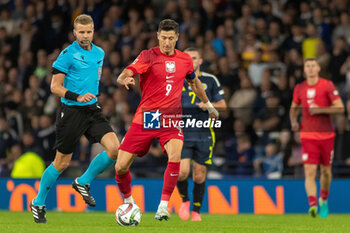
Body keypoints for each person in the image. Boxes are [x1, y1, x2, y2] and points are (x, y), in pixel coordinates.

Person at [114, 19, 219, 221]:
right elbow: (128, 71)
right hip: (147, 116)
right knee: (120, 166)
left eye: (171, 38)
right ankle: (129, 202)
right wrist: (123, 78)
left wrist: (209, 104)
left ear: (177, 38)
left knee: (175, 156)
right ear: (157, 36)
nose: (167, 42)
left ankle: (163, 207)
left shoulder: (185, 60)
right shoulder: (148, 55)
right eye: (163, 38)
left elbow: (195, 84)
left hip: (170, 116)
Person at [30, 14, 120, 223]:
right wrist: (77, 96)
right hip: (71, 112)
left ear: (93, 31)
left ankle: (83, 181)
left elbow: (93, 78)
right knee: (62, 163)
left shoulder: (99, 52)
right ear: (74, 32)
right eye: (81, 32)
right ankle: (38, 202)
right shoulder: (67, 54)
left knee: (115, 149)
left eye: (88, 32)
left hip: (92, 110)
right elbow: (55, 86)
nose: (85, 36)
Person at [290, 58, 344, 218]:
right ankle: (312, 204)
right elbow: (293, 108)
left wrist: (321, 109)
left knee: (326, 171)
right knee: (310, 170)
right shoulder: (299, 88)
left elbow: (340, 107)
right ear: (304, 70)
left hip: (326, 134)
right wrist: (293, 121)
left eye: (313, 66)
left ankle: (324, 200)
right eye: (308, 66)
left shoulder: (327, 85)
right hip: (307, 134)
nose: (311, 68)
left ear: (318, 68)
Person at [177, 47, 226, 221]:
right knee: (182, 172)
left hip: (204, 132)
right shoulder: (177, 79)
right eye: (188, 58)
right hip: (182, 132)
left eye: (194, 58)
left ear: (200, 61)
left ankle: (196, 211)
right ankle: (185, 200)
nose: (191, 61)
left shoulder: (210, 80)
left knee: (199, 174)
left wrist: (208, 105)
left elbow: (223, 105)